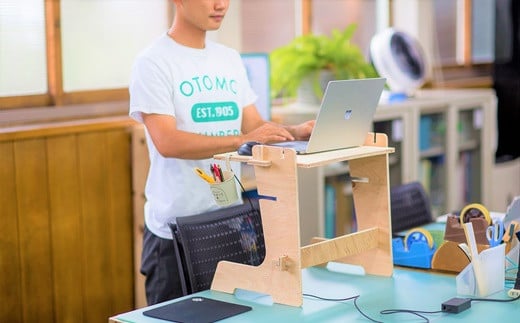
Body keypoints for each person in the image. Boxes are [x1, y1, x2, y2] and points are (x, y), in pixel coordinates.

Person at [129, 0, 315, 305]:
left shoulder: (228, 58)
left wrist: (293, 132)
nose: (221, 5)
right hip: (175, 234)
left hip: (230, 225)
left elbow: (253, 124)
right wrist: (241, 138)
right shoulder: (153, 61)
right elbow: (168, 141)